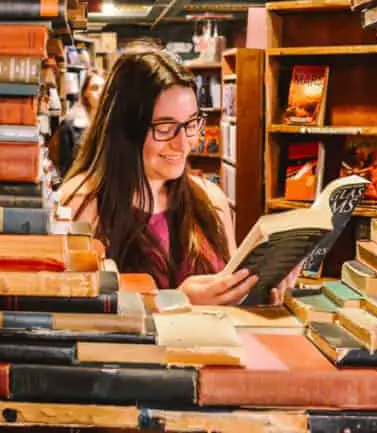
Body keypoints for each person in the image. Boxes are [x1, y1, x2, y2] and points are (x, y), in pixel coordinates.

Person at [59, 49, 297, 306]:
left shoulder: (210, 200)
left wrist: (260, 293)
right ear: (125, 129)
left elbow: (232, 307)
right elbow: (72, 312)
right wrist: (175, 301)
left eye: (191, 124)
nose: (184, 144)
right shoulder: (79, 205)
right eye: (165, 128)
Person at [54, 70, 105, 178]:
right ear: (85, 93)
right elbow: (66, 169)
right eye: (94, 88)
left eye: (103, 87)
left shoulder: (112, 126)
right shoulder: (69, 127)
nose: (100, 92)